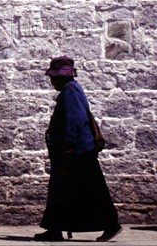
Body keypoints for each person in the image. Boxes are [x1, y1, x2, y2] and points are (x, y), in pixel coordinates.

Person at [34, 56, 122, 242]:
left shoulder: (70, 92)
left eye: (53, 77)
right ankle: (55, 228)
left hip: (77, 152)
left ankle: (110, 224)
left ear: (60, 77)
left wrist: (67, 146)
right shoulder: (72, 90)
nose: (51, 81)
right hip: (77, 150)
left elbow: (75, 121)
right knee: (63, 190)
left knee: (90, 189)